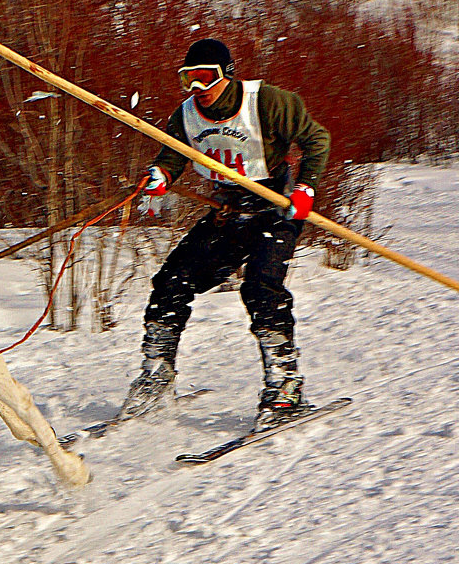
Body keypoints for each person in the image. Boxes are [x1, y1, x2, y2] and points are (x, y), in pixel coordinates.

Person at [120, 38, 331, 431]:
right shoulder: (186, 115)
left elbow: (316, 140)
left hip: (276, 208)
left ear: (227, 75)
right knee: (171, 282)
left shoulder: (267, 102)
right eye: (189, 80)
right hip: (227, 212)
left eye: (206, 78)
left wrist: (307, 188)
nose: (198, 89)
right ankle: (156, 376)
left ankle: (285, 387)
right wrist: (161, 176)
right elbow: (173, 153)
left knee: (261, 288)